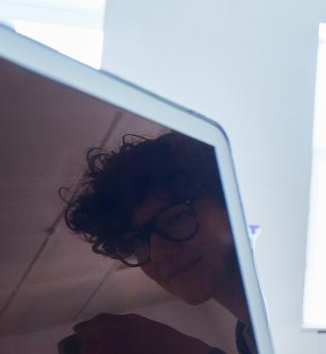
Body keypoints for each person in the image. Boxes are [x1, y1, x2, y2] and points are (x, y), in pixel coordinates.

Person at [62, 132, 256, 354]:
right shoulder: (248, 340)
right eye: (137, 240)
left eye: (176, 218)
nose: (158, 253)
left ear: (234, 204)